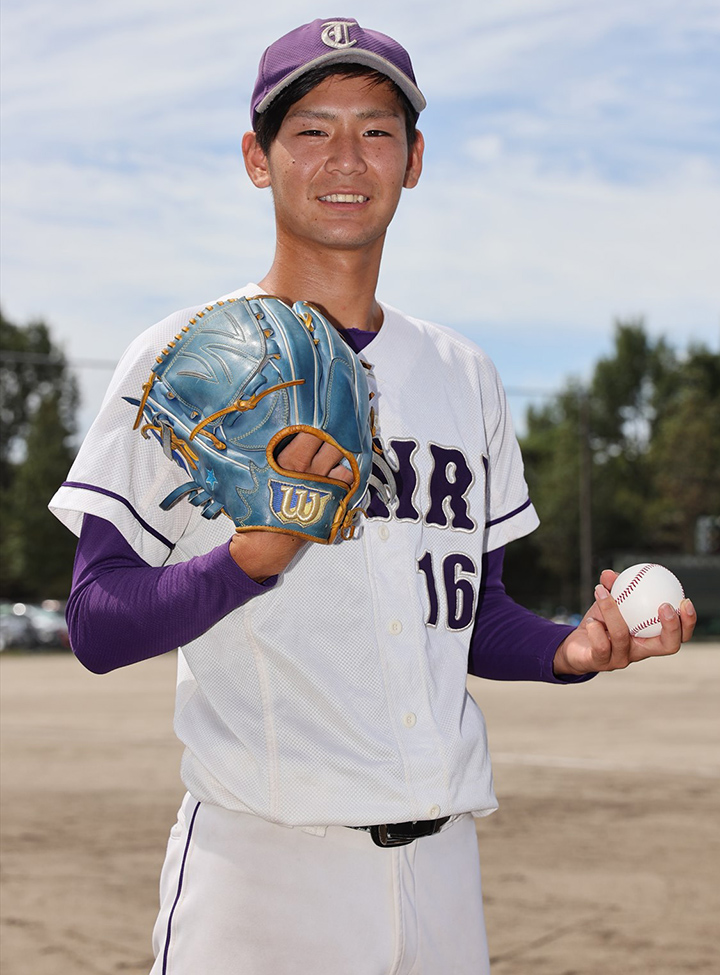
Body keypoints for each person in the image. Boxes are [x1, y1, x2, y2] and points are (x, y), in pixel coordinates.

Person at [50, 18, 696, 975]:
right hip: (264, 877)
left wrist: (570, 647)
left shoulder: (463, 373)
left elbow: (473, 621)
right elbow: (95, 623)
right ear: (255, 159)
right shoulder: (183, 359)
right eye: (311, 129)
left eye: (376, 129)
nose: (346, 157)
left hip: (442, 878)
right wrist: (248, 561)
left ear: (416, 158)